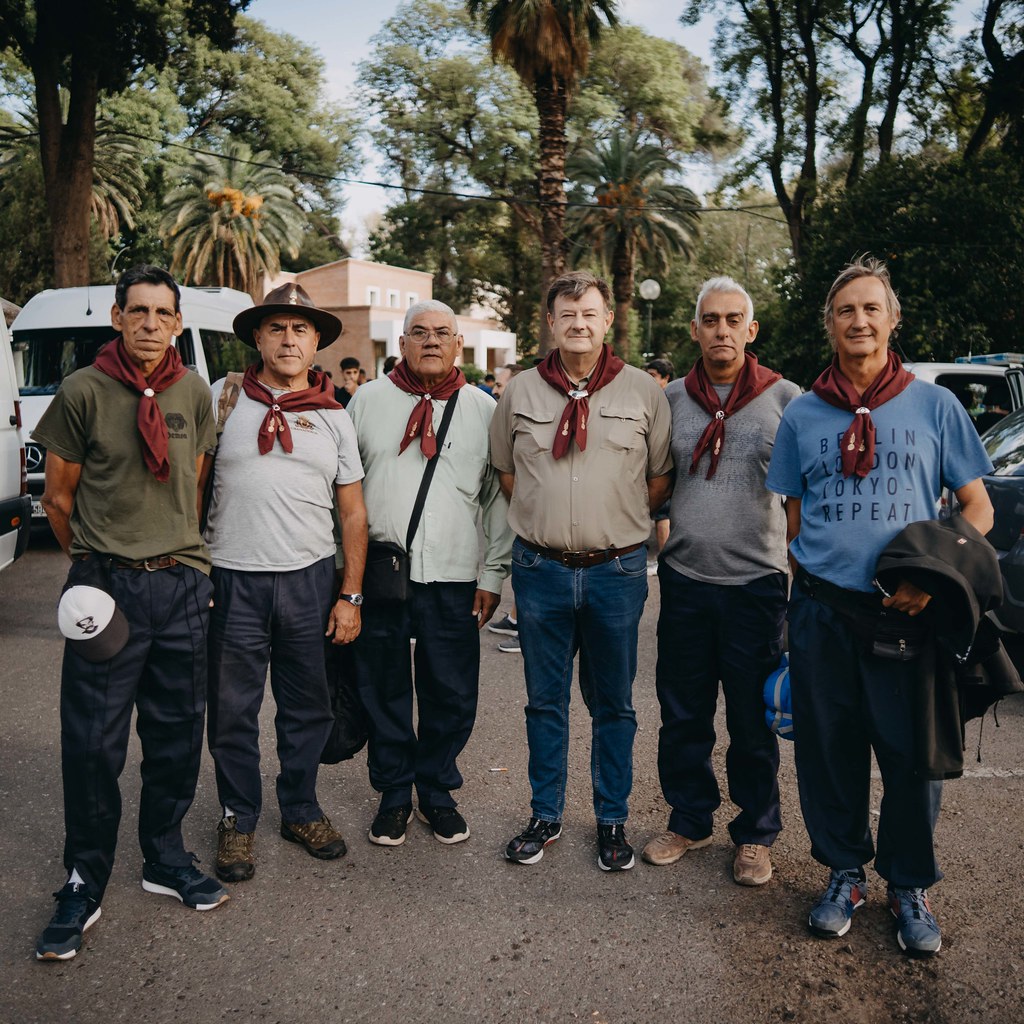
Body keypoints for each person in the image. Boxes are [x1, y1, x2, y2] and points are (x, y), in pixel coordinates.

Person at [766, 256, 994, 956]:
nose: (859, 320)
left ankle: (908, 884)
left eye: (872, 309)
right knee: (830, 755)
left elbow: (977, 509)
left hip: (911, 616)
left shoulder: (935, 406)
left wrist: (932, 577)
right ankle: (843, 873)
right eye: (845, 310)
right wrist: (817, 587)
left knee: (911, 760)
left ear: (893, 321)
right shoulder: (803, 413)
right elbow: (795, 520)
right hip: (825, 615)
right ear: (830, 325)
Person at [32, 265, 228, 961]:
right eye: (137, 311)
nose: (149, 323)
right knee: (93, 744)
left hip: (180, 587)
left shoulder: (194, 391)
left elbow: (195, 487)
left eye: (161, 313)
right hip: (105, 591)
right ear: (117, 318)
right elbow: (58, 498)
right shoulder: (83, 390)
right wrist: (93, 566)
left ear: (177, 322)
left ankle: (164, 857)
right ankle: (84, 878)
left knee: (177, 735)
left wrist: (184, 562)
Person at [490, 270, 672, 871]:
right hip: (539, 570)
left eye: (590, 313)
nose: (579, 324)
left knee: (614, 703)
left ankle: (611, 820)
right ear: (550, 323)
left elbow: (658, 479)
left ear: (608, 320)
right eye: (567, 314)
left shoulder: (644, 392)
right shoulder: (519, 391)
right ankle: (545, 814)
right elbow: (509, 475)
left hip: (614, 573)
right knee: (545, 703)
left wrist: (608, 523)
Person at [203, 283, 368, 883]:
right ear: (257, 337)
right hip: (233, 579)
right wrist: (201, 572)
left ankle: (300, 807)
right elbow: (194, 491)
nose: (289, 339)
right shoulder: (223, 400)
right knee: (232, 712)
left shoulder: (334, 417)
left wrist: (350, 594)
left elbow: (352, 512)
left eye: (301, 329)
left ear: (317, 340)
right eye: (277, 328)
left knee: (307, 707)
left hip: (309, 581)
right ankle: (238, 816)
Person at [642, 277, 800, 888]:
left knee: (751, 720)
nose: (722, 330)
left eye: (735, 320)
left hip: (757, 587)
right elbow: (654, 478)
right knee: (682, 712)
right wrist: (661, 531)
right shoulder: (673, 399)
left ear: (751, 331)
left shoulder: (785, 398)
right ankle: (689, 818)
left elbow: (802, 494)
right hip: (685, 580)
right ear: (695, 330)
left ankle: (756, 833)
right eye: (711, 320)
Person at [346, 300, 513, 847]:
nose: (431, 342)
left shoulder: (482, 409)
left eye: (443, 333)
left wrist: (492, 575)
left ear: (458, 344)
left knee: (452, 689)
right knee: (383, 685)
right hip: (382, 573)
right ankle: (394, 792)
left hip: (454, 575)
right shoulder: (366, 401)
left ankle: (436, 790)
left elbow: (495, 502)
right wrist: (344, 579)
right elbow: (341, 494)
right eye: (420, 332)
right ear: (403, 342)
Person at [643, 358, 675, 573]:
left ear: (665, 379)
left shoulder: (669, 397)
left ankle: (664, 560)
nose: (649, 378)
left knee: (662, 515)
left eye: (653, 375)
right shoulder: (649, 396)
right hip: (652, 463)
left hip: (665, 463)